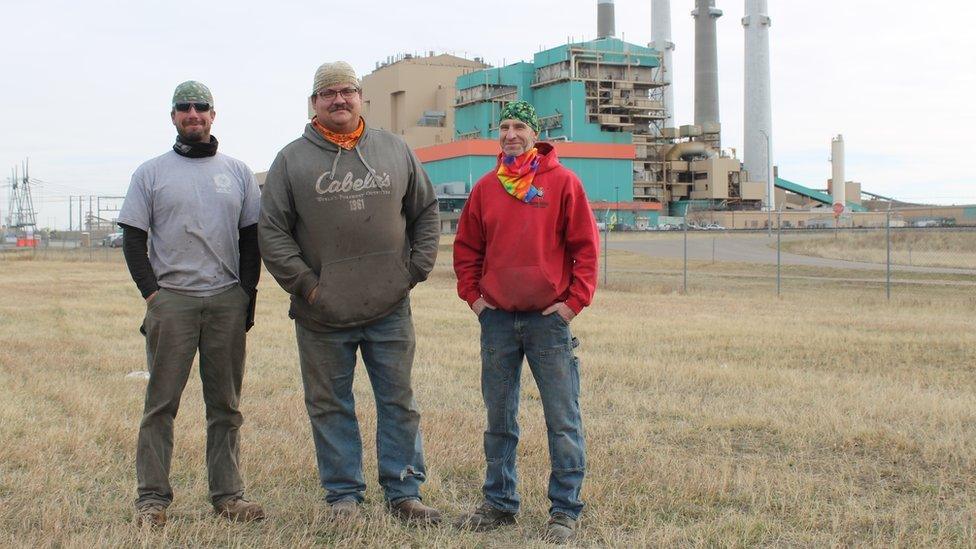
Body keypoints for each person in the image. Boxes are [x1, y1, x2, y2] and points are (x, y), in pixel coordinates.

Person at [258, 61, 441, 524]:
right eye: (328, 93)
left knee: (398, 399)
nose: (339, 100)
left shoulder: (394, 150)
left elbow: (426, 212)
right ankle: (343, 496)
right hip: (322, 314)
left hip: (389, 307)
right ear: (314, 103)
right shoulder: (291, 160)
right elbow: (273, 232)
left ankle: (404, 493)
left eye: (347, 91)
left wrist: (414, 270)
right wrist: (309, 288)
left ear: (361, 97)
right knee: (329, 404)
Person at [117, 81, 264, 527]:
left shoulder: (237, 172)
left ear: (214, 115)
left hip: (225, 300)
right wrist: (153, 295)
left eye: (202, 107)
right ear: (173, 116)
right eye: (185, 107)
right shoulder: (151, 173)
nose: (193, 113)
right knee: (160, 406)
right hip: (173, 302)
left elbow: (251, 239)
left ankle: (228, 496)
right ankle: (152, 500)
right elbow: (133, 239)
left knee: (226, 406)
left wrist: (246, 296)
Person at [453, 100, 599, 543]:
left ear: (536, 134)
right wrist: (475, 299)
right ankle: (499, 503)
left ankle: (565, 510)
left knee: (562, 418)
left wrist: (573, 304)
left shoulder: (563, 183)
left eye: (520, 126)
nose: (511, 133)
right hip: (497, 321)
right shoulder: (486, 188)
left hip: (547, 322)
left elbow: (585, 250)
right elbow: (466, 250)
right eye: (505, 126)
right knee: (499, 419)